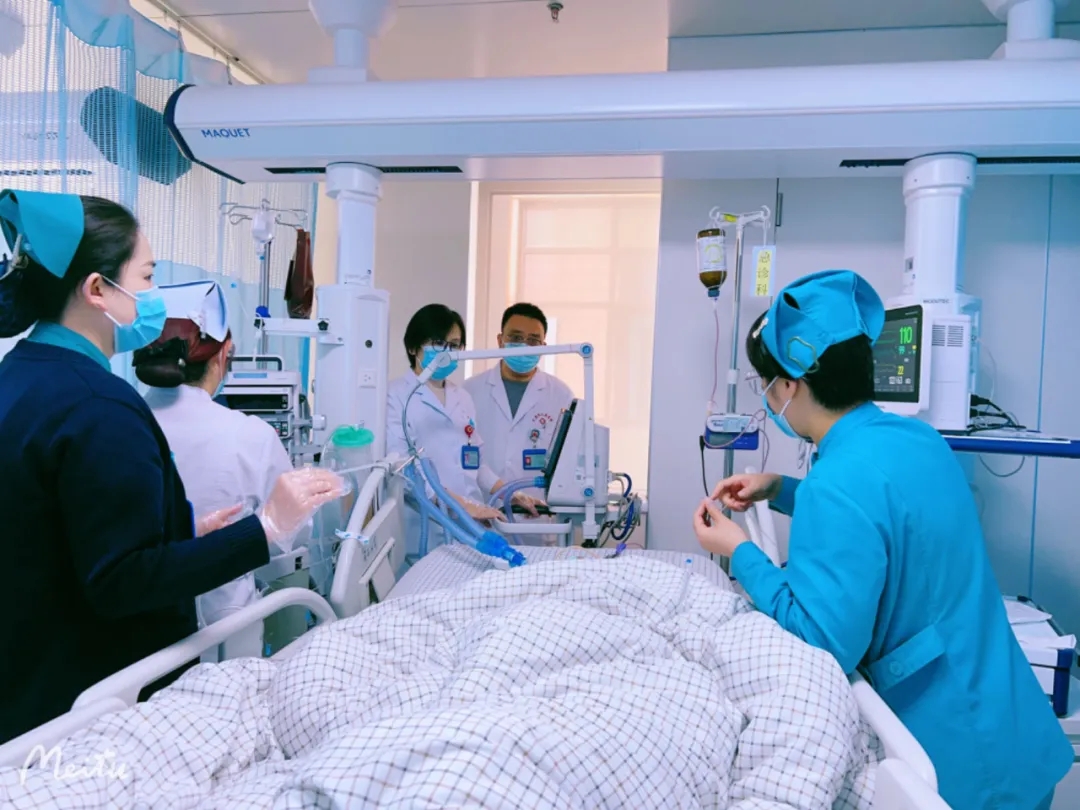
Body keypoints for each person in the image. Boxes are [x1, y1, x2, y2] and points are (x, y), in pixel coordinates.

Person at [691, 269, 1069, 810]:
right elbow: (888, 513)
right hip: (1015, 728)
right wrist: (779, 488)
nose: (769, 397)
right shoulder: (917, 438)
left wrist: (739, 551)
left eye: (767, 385)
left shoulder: (837, 483)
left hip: (960, 761)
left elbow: (824, 639)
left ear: (790, 386)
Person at [0, 190, 344, 744]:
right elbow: (125, 583)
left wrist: (180, 530)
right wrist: (267, 527)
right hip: (88, 708)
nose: (153, 298)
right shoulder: (98, 405)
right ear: (97, 289)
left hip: (24, 687)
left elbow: (56, 537)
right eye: (145, 277)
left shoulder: (18, 376)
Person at [134, 280, 294, 658]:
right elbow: (287, 542)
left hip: (134, 642)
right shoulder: (250, 435)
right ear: (224, 353)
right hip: (225, 636)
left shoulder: (117, 422)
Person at [386, 303, 542, 560]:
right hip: (424, 526)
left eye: (454, 345)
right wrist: (463, 506)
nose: (447, 352)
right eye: (438, 343)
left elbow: (476, 464)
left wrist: (511, 493)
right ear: (413, 347)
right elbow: (405, 473)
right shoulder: (396, 396)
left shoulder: (462, 398)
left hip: (470, 527)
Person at [464, 303, 573, 545]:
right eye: (515, 338)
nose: (524, 346)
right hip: (483, 519)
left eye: (533, 340)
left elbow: (568, 462)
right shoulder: (469, 391)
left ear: (544, 346)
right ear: (500, 340)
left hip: (536, 520)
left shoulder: (560, 394)